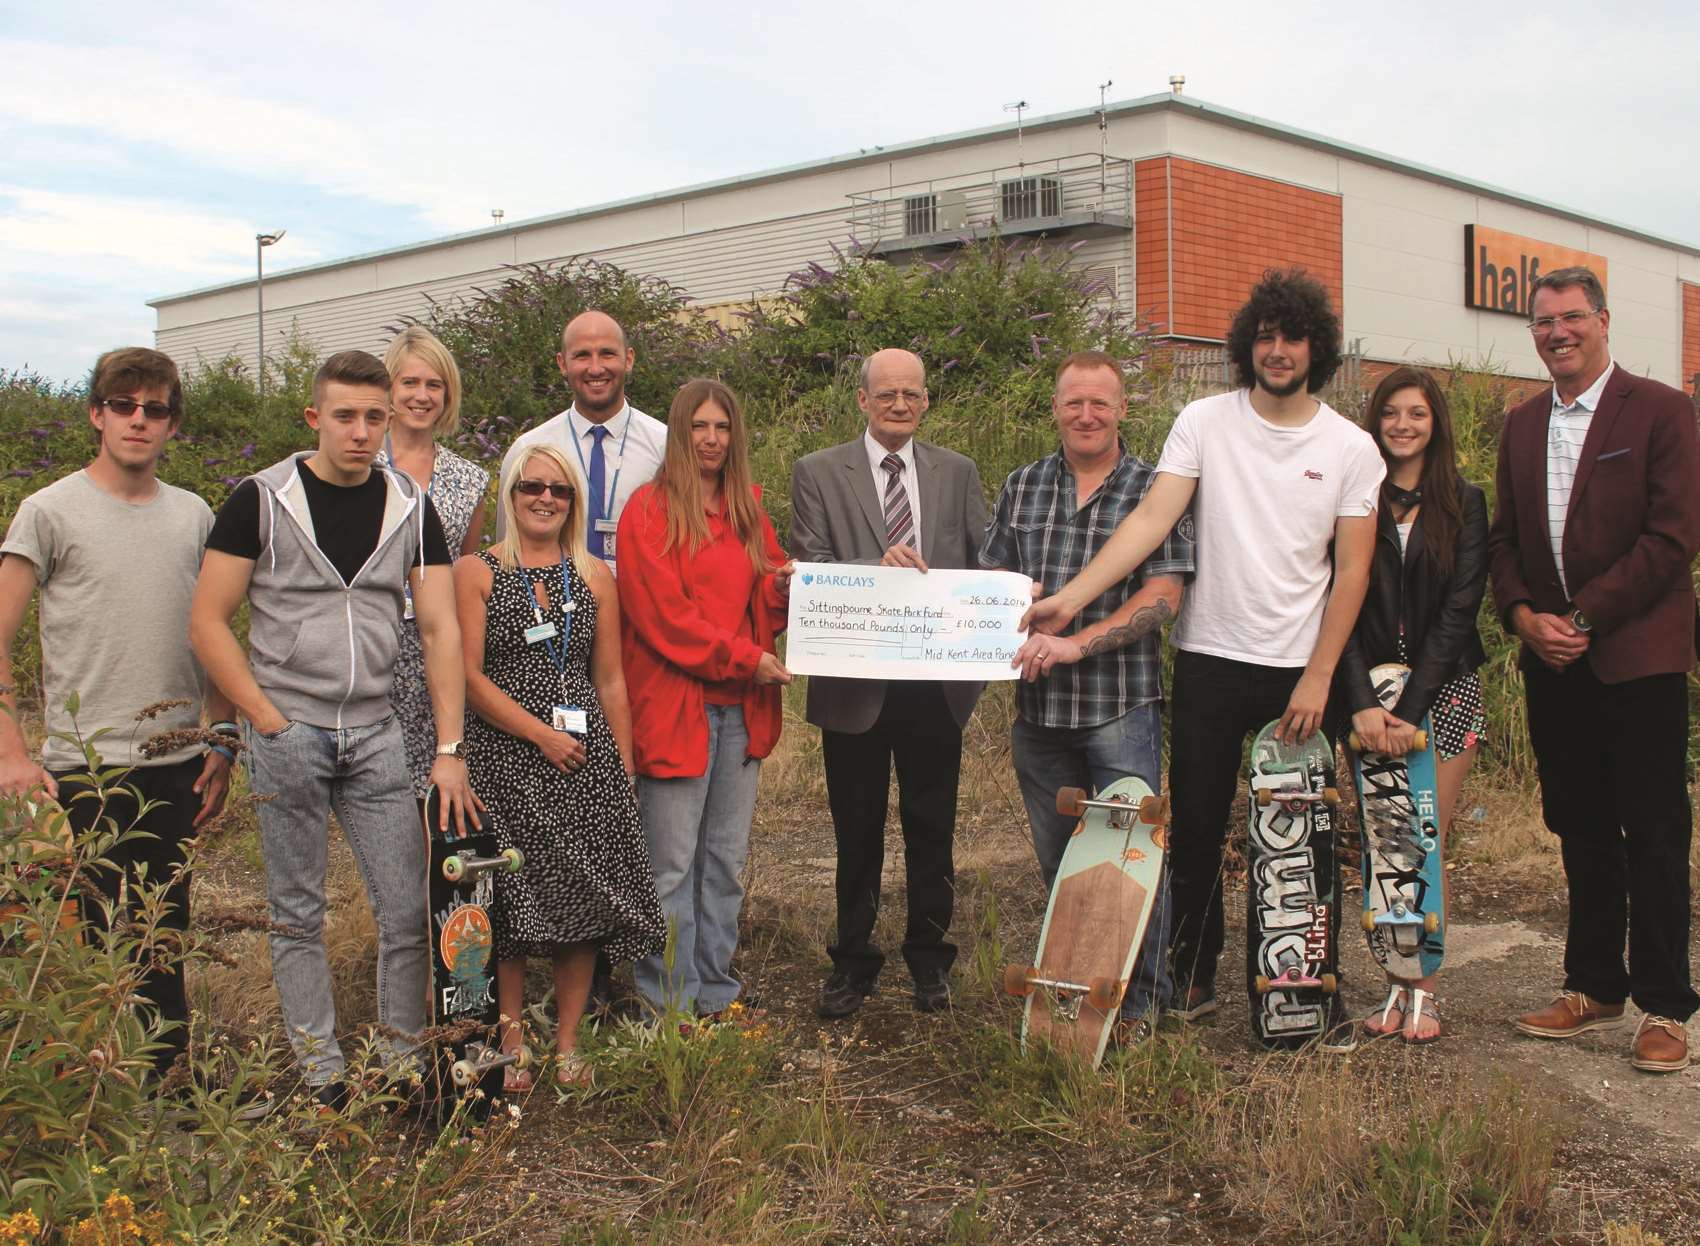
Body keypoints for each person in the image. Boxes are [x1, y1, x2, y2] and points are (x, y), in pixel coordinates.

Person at [1023, 270, 1383, 1049]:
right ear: (1247, 344)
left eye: (1292, 339)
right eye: (1264, 336)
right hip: (1212, 657)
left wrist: (1321, 674)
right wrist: (1069, 597)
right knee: (1191, 831)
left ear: (1316, 349)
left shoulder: (1350, 447)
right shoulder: (1204, 420)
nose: (1277, 350)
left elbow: (1352, 571)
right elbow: (1153, 519)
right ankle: (1191, 970)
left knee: (1302, 837)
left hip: (1300, 670)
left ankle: (1310, 985)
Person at [190, 350, 481, 1106]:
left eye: (373, 418)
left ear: (389, 424)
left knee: (407, 906)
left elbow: (442, 630)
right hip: (291, 732)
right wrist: (264, 718)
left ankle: (400, 1064)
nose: (359, 431)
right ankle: (321, 1073)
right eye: (344, 416)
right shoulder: (261, 499)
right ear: (314, 417)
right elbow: (208, 620)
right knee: (296, 912)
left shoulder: (410, 509)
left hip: (379, 732)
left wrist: (450, 750)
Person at [0, 347, 236, 1080]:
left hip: (176, 768)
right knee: (79, 948)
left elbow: (218, 630)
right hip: (80, 774)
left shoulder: (194, 514)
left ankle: (169, 1098)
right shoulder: (48, 511)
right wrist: (12, 756)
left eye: (155, 408)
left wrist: (222, 740)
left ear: (173, 425)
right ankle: (83, 1106)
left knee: (163, 940)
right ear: (97, 414)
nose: (139, 420)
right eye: (124, 405)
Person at [1489, 266, 1700, 1074]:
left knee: (1653, 831)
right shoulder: (1522, 424)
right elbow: (1504, 541)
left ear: (1603, 321)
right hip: (1553, 665)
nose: (1556, 333)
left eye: (1571, 318)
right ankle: (1594, 985)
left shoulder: (1659, 410)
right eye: (1543, 323)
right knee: (1578, 826)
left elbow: (1674, 536)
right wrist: (1522, 618)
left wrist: (1584, 617)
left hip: (1637, 660)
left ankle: (1664, 1006)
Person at [988, 350, 1193, 1039]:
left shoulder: (1154, 489)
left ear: (1123, 409)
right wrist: (1006, 602)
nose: (1086, 415)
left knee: (1132, 867)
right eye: (1073, 402)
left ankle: (1144, 1008)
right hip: (1039, 713)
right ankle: (1080, 1004)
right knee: (1063, 867)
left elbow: (1163, 597)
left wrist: (1078, 638)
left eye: (1100, 403)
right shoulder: (1022, 485)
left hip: (1119, 706)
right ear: (1055, 408)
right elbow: (993, 584)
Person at [789, 348, 989, 1018]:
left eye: (912, 394)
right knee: (857, 831)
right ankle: (854, 962)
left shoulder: (957, 473)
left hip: (934, 685)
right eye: (887, 395)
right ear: (862, 401)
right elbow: (808, 564)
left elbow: (981, 563)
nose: (899, 404)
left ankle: (930, 961)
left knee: (932, 828)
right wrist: (874, 569)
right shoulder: (818, 472)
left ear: (926, 401)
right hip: (857, 685)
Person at [455, 444, 663, 1086]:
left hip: (584, 760)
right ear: (512, 497)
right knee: (511, 901)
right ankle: (511, 1037)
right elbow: (466, 676)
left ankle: (569, 1041)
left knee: (585, 900)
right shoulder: (476, 571)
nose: (544, 498)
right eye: (530, 487)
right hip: (504, 755)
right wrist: (539, 734)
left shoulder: (595, 574)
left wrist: (621, 767)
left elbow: (610, 678)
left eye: (560, 490)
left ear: (573, 503)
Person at [616, 379, 794, 1019]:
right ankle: (666, 1006)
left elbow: (766, 596)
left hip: (742, 712)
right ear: (680, 434)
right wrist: (748, 658)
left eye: (722, 428)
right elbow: (664, 618)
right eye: (699, 427)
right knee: (671, 866)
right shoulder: (650, 511)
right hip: (677, 710)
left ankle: (715, 994)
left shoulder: (748, 510)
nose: (712, 439)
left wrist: (791, 587)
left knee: (724, 862)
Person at [1336, 367, 1488, 1044]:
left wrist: (1413, 706)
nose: (1403, 425)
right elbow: (1331, 603)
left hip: (1444, 692)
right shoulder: (1353, 497)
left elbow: (1460, 612)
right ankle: (1389, 989)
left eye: (1417, 414)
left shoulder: (1466, 501)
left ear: (1436, 424)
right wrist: (1367, 702)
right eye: (1391, 413)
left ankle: (1423, 989)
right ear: (1375, 421)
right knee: (1382, 841)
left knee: (1425, 838)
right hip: (1365, 698)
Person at [377, 326, 490, 802]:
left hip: (435, 657)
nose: (421, 396)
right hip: (370, 650)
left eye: (434, 385)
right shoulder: (359, 466)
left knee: (435, 802)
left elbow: (465, 573)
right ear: (388, 389)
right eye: (410, 383)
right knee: (378, 797)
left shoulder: (469, 479)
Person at [494, 310, 666, 570]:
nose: (596, 368)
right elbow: (507, 551)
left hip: (644, 606)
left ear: (629, 359)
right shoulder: (527, 451)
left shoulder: (666, 446)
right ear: (563, 363)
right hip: (554, 606)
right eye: (582, 355)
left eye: (607, 353)